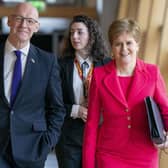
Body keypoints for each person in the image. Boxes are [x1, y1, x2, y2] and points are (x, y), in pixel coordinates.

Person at [82, 18, 168, 168]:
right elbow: (92, 124)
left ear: (137, 45)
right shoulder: (99, 75)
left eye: (129, 43)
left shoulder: (152, 73)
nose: (124, 49)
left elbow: (166, 110)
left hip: (145, 156)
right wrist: (88, 164)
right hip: (109, 155)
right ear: (112, 48)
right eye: (118, 44)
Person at [0, 2, 65, 168]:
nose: (23, 25)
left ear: (36, 27)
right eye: (19, 19)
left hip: (32, 150)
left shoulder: (47, 61)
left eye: (30, 21)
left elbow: (56, 108)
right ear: (9, 21)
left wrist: (47, 144)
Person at [55, 15, 110, 168]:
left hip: (99, 136)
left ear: (91, 35)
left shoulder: (107, 65)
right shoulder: (60, 65)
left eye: (80, 32)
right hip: (69, 140)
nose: (74, 36)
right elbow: (53, 103)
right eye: (72, 32)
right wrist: (76, 110)